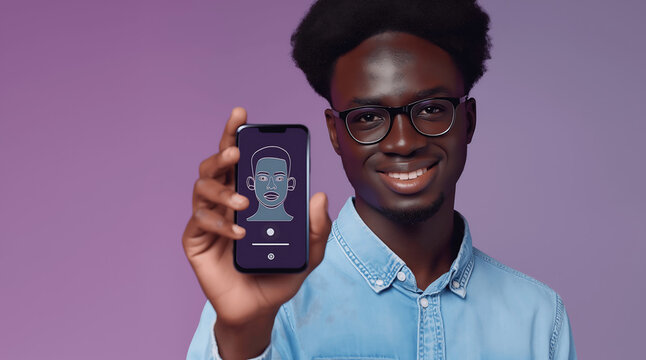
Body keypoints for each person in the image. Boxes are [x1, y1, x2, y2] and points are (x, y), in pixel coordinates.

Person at [183, 0, 577, 359]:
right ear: (336, 134)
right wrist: (242, 337)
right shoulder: (262, 306)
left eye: (431, 109)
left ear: (468, 121)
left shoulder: (539, 318)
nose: (404, 142)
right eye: (368, 117)